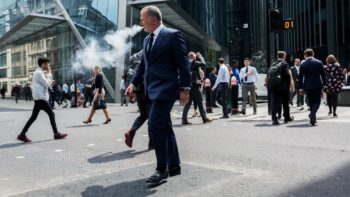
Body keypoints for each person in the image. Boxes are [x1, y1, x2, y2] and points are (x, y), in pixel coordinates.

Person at [125, 5, 190, 187]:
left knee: (154, 125)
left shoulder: (172, 35)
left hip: (167, 88)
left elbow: (183, 63)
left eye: (142, 18)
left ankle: (162, 168)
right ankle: (174, 165)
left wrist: (185, 87)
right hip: (150, 90)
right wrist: (132, 83)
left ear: (153, 19)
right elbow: (142, 66)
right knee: (165, 126)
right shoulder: (147, 40)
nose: (140, 22)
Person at [17, 57, 67, 143]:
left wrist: (47, 74)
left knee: (33, 117)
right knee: (52, 114)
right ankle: (56, 134)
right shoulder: (39, 73)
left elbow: (45, 83)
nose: (48, 65)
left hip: (39, 98)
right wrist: (50, 73)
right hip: (41, 98)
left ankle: (22, 135)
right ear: (43, 64)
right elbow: (47, 84)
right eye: (47, 64)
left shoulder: (39, 72)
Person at [124, 51, 153, 150]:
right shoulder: (148, 52)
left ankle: (131, 131)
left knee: (143, 114)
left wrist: (130, 90)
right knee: (151, 116)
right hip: (147, 88)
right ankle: (151, 143)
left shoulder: (133, 57)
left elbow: (127, 74)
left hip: (136, 88)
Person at [182, 52, 213, 125]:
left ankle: (184, 119)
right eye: (195, 56)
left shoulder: (186, 64)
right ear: (193, 57)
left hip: (188, 86)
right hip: (195, 86)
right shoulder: (195, 62)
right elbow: (204, 64)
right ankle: (204, 118)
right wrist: (200, 57)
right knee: (200, 102)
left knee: (188, 103)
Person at [299, 48, 326, 126]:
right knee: (317, 101)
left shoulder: (303, 64)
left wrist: (300, 88)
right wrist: (325, 84)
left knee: (311, 102)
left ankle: (312, 119)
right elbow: (323, 75)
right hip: (317, 84)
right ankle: (312, 115)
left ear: (305, 55)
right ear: (313, 54)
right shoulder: (319, 62)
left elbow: (300, 77)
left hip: (307, 85)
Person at [268, 51, 295, 125]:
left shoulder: (273, 63)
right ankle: (286, 117)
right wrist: (289, 85)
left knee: (274, 103)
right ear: (284, 56)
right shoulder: (284, 64)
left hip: (273, 87)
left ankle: (274, 119)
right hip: (283, 87)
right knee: (285, 103)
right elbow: (286, 75)